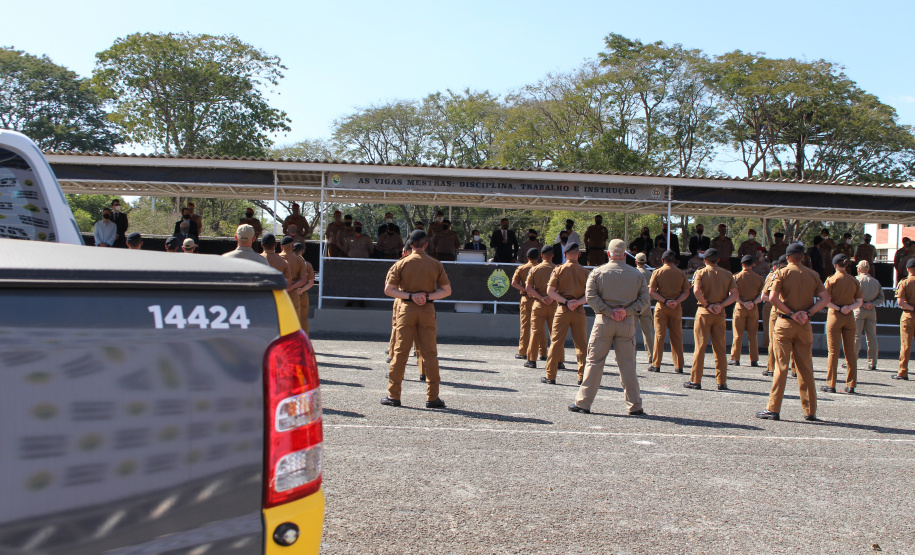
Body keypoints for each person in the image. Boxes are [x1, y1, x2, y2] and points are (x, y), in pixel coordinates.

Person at [569, 239, 649, 415]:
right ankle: (635, 405)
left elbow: (590, 296)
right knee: (628, 364)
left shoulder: (598, 272)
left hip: (604, 321)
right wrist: (625, 311)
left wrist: (607, 311)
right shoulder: (637, 275)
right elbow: (644, 300)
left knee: (595, 362)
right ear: (625, 254)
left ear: (609, 253)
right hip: (626, 322)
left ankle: (583, 403)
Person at [757, 243, 830, 421]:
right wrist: (808, 313)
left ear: (788, 257)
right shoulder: (813, 275)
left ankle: (773, 409)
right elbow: (826, 298)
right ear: (802, 257)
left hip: (785, 322)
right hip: (804, 324)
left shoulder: (781, 273)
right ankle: (810, 410)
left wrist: (791, 313)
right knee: (805, 368)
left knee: (781, 367)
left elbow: (772, 297)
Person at [382, 230, 452, 408]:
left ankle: (394, 395)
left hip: (406, 309)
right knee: (430, 354)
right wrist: (427, 297)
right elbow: (446, 291)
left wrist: (410, 295)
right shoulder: (436, 264)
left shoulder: (401, 263)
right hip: (427, 310)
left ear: (410, 244)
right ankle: (432, 397)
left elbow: (389, 290)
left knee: (400, 353)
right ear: (426, 245)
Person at [684, 248, 739, 391]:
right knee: (720, 348)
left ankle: (695, 380)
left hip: (704, 311)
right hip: (719, 313)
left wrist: (707, 304)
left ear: (705, 260)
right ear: (718, 260)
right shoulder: (728, 274)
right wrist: (720, 305)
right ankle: (722, 381)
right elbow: (734, 295)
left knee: (700, 347)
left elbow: (696, 290)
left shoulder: (701, 272)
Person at [542, 243, 590, 385]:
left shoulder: (559, 270)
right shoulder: (586, 272)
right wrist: (577, 302)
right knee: (581, 345)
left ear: (564, 254)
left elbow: (550, 291)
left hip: (563, 310)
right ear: (579, 255)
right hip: (579, 310)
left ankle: (551, 375)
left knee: (556, 342)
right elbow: (590, 295)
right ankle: (582, 377)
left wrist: (566, 301)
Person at [821, 254, 863, 394]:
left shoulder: (831, 280)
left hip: (835, 316)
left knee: (833, 352)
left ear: (835, 265)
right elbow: (859, 301)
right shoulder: (853, 280)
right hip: (849, 316)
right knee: (850, 352)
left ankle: (831, 383)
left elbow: (826, 300)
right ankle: (851, 384)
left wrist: (839, 308)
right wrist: (848, 308)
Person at [648, 250, 690, 373]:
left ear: (662, 260)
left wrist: (665, 301)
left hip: (662, 306)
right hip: (676, 308)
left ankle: (656, 364)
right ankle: (679, 365)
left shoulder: (657, 272)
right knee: (677, 336)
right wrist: (676, 301)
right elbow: (686, 291)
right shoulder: (681, 273)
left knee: (659, 336)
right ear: (675, 260)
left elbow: (652, 291)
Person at [525, 245, 563, 369]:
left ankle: (531, 360)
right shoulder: (558, 269)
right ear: (553, 256)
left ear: (541, 255)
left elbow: (528, 288)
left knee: (535, 332)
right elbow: (562, 288)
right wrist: (552, 297)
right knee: (556, 334)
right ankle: (559, 361)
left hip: (539, 304)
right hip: (554, 305)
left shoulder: (535, 269)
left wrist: (542, 298)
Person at [729, 255, 765, 368]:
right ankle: (754, 359)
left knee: (737, 335)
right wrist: (753, 303)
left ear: (742, 264)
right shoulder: (759, 278)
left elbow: (732, 295)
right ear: (753, 264)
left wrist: (743, 303)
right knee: (753, 335)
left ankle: (735, 358)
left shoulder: (736, 277)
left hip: (740, 307)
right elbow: (762, 295)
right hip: (753, 308)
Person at [512, 248, 547, 362]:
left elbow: (514, 283)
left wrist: (526, 290)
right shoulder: (541, 268)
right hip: (540, 299)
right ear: (539, 257)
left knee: (525, 325)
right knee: (539, 326)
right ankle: (543, 352)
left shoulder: (521, 268)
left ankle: (523, 351)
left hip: (526, 299)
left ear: (527, 257)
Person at [854, 260, 884, 372]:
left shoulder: (856, 280)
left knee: (856, 336)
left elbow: (852, 295)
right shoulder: (876, 282)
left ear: (859, 269)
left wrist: (861, 304)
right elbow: (881, 298)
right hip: (871, 310)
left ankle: (853, 360)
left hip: (859, 310)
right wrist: (871, 304)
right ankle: (873, 362)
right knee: (871, 337)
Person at [279, 236, 310, 327]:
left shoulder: (277, 259)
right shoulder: (300, 260)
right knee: (295, 321)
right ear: (292, 247)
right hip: (293, 292)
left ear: (281, 247)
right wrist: (291, 287)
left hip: (280, 292)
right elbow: (304, 279)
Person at [894, 258, 915, 381]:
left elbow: (900, 302)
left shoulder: (905, 282)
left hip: (908, 315)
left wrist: (911, 308)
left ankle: (903, 372)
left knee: (905, 345)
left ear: (908, 269)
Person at [634, 253, 654, 361]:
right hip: (646, 303)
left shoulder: (633, 273)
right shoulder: (650, 274)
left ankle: (631, 354)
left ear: (636, 261)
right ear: (645, 261)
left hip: (634, 304)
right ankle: (652, 356)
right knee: (648, 331)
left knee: (630, 332)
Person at [293, 242, 315, 333]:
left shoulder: (286, 262)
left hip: (289, 293)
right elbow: (311, 282)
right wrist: (301, 290)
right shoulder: (307, 265)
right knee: (303, 319)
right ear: (303, 251)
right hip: (301, 294)